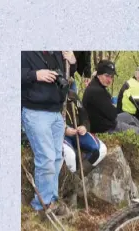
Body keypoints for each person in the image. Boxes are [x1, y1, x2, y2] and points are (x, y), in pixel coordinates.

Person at [21, 50, 77, 216]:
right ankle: (42, 205)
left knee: (57, 157)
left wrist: (72, 63)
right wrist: (35, 74)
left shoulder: (57, 53)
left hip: (56, 113)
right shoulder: (25, 50)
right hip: (35, 111)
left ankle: (51, 199)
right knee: (46, 158)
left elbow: (66, 76)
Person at [63, 89, 107, 176]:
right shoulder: (48, 95)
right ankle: (71, 181)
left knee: (100, 150)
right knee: (70, 155)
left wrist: (84, 126)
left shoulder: (72, 95)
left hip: (77, 131)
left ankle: (80, 175)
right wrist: (64, 129)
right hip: (59, 134)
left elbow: (83, 113)